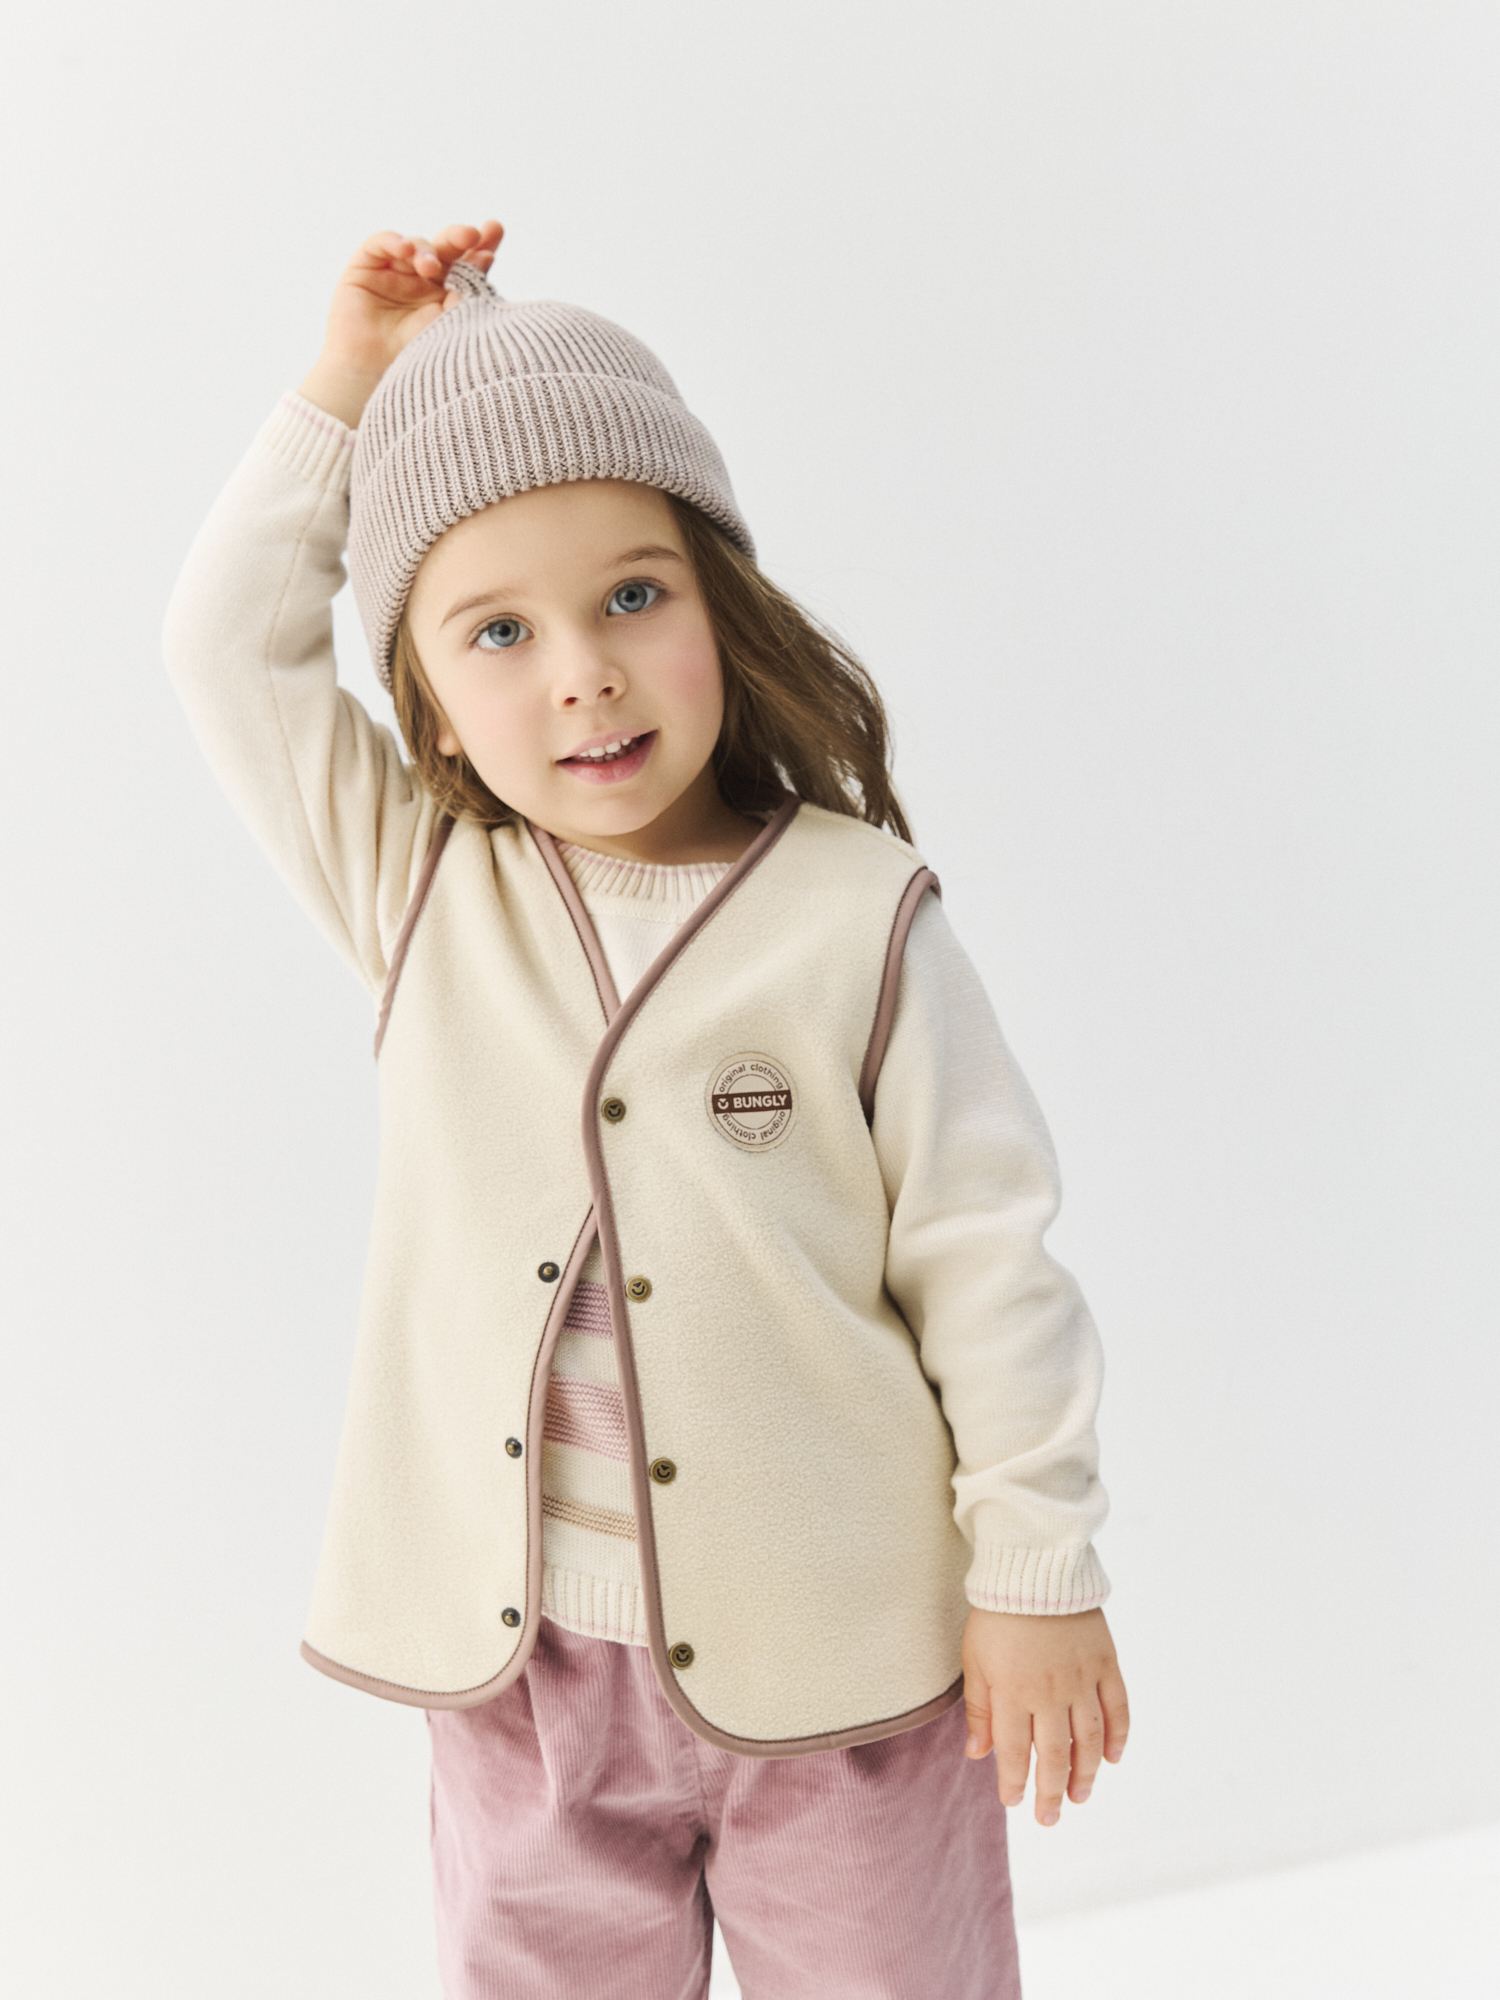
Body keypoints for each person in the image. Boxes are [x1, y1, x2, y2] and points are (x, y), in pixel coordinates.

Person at [164, 219, 1129, 2000]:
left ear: (719, 600)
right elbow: (225, 644)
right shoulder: (420, 889)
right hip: (522, 1682)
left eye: (633, 596)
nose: (582, 673)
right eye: (497, 631)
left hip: (850, 1675)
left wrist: (1038, 1568)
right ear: (426, 694)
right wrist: (344, 387)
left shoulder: (858, 914)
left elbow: (989, 1260)